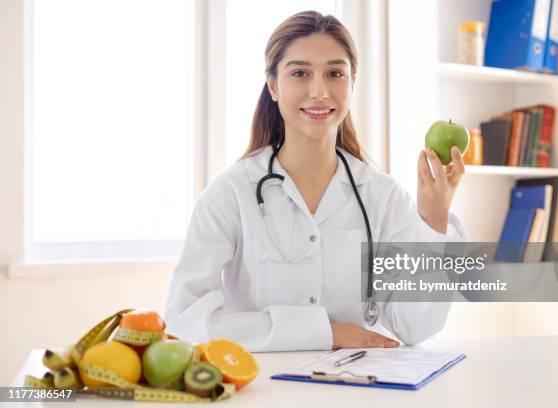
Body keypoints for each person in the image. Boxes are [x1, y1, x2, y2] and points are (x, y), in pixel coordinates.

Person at [164, 11, 467, 351]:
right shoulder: (230, 193)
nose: (320, 91)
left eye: (335, 73)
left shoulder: (383, 196)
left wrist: (435, 217)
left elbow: (417, 326)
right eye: (300, 73)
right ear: (274, 85)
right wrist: (324, 332)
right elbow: (184, 322)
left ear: (353, 82)